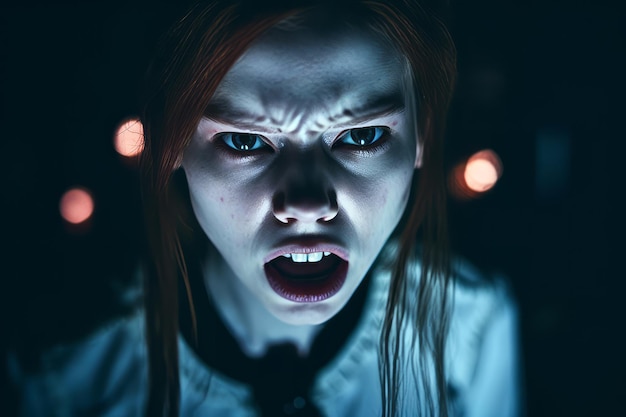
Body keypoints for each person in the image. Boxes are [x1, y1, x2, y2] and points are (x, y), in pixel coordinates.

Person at [8, 1, 520, 416]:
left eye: (361, 136)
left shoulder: (468, 335)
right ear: (172, 146)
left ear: (422, 138)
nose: (306, 205)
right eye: (245, 143)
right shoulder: (68, 381)